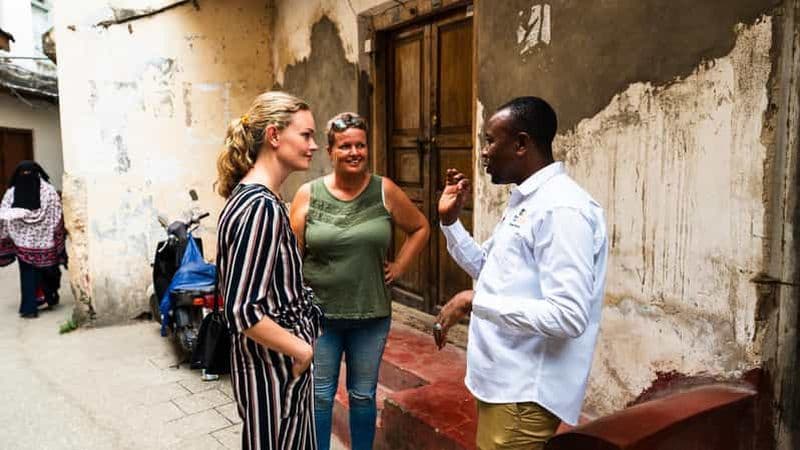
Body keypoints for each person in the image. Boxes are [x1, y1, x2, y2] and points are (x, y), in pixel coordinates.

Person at [435, 97, 608, 450]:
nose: (483, 152)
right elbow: (491, 270)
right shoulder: (529, 201)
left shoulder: (561, 209)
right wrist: (451, 223)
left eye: (489, 140)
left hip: (524, 391)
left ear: (521, 144)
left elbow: (569, 315)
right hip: (504, 383)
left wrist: (473, 302)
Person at [289, 112, 430, 450]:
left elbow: (421, 228)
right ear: (330, 151)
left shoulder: (385, 191)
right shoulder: (308, 195)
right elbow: (292, 256)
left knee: (363, 396)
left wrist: (398, 267)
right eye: (345, 146)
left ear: (368, 148)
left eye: (360, 145)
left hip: (371, 315)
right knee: (320, 396)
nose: (354, 152)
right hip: (320, 317)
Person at [215, 91, 322, 450]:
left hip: (272, 364)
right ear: (274, 136)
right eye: (305, 135)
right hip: (274, 367)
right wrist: (301, 351)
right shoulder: (261, 206)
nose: (314, 145)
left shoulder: (250, 198)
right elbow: (242, 310)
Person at [0, 161, 66, 319]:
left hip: (23, 243)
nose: (26, 177)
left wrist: (10, 234)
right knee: (47, 271)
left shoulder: (12, 192)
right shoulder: (49, 191)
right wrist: (56, 233)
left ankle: (32, 305)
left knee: (29, 274)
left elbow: (4, 215)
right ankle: (41, 301)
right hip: (45, 243)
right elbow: (56, 214)